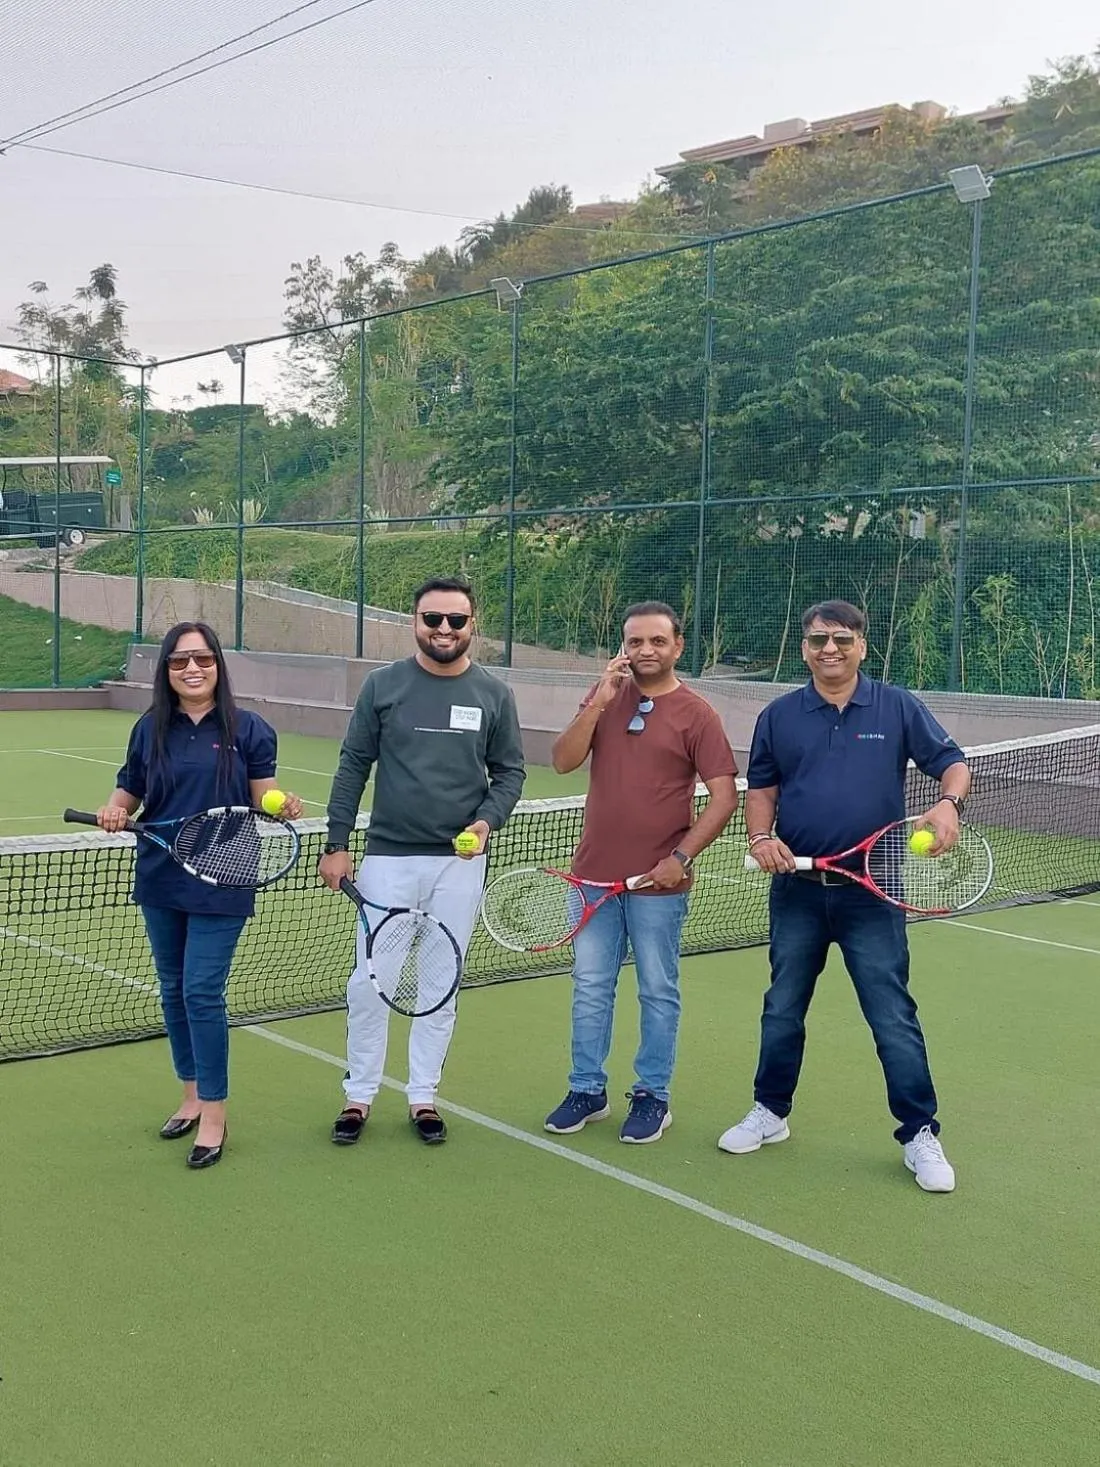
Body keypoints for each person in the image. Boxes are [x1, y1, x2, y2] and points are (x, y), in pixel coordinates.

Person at [717, 599, 970, 1192]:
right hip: (796, 892)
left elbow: (952, 763)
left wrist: (947, 803)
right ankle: (770, 1112)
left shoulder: (898, 705)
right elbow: (762, 788)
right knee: (782, 1007)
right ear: (804, 647)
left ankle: (918, 1134)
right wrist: (760, 837)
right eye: (816, 640)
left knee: (891, 1016)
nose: (829, 649)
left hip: (872, 893)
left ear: (861, 643)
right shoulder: (779, 715)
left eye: (840, 638)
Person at [318, 576, 525, 1146]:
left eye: (456, 621)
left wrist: (485, 822)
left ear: (472, 626)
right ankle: (358, 1095)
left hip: (459, 866)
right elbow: (353, 765)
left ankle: (422, 1097)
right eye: (432, 619)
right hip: (386, 858)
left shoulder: (493, 694)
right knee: (369, 982)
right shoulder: (383, 686)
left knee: (441, 982)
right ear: (415, 622)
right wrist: (337, 845)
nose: (444, 630)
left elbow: (509, 773)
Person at [96, 622, 302, 1170]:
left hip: (224, 873)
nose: (193, 669)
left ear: (218, 667)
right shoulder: (149, 730)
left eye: (204, 660)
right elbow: (130, 788)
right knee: (173, 989)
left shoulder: (249, 728)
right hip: (162, 872)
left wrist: (281, 805)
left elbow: (264, 793)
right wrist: (115, 809)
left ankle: (214, 1112)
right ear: (166, 670)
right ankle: (189, 1094)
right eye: (181, 660)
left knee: (202, 992)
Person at [544, 602, 738, 1144]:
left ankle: (653, 1095)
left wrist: (679, 860)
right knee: (589, 989)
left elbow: (724, 799)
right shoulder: (604, 698)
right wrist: (599, 700)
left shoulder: (698, 715)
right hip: (591, 882)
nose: (645, 650)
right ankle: (587, 1089)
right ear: (622, 648)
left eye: (656, 641)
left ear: (677, 646)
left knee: (657, 989)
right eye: (635, 642)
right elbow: (561, 760)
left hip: (658, 886)